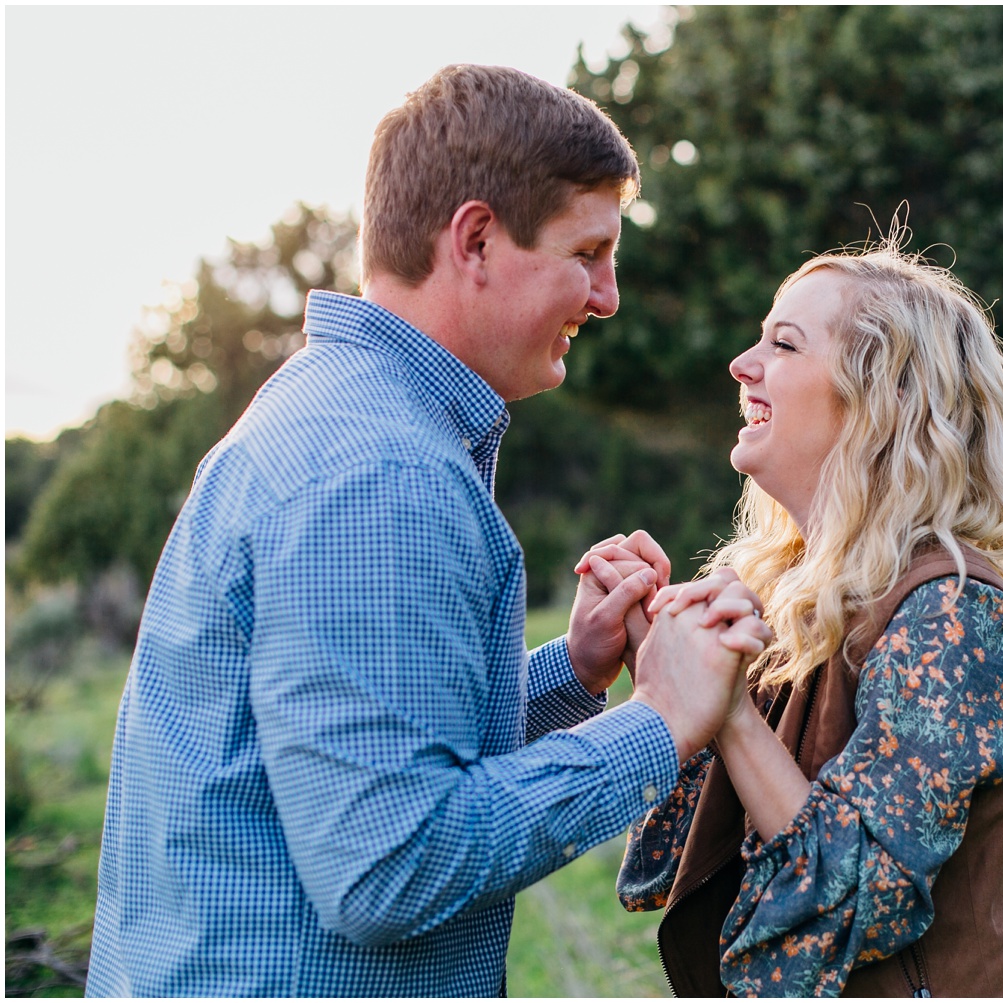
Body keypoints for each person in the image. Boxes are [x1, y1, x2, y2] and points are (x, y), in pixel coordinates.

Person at [86, 65, 770, 997]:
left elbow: (369, 742)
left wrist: (573, 672)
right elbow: (391, 864)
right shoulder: (384, 474)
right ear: (478, 240)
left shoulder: (333, 413)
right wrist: (661, 723)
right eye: (588, 253)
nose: (607, 296)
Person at [604, 237, 1003, 996]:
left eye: (783, 344)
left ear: (880, 400)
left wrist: (730, 716)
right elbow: (676, 863)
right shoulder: (786, 593)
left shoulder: (952, 611)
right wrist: (660, 669)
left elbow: (857, 897)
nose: (741, 364)